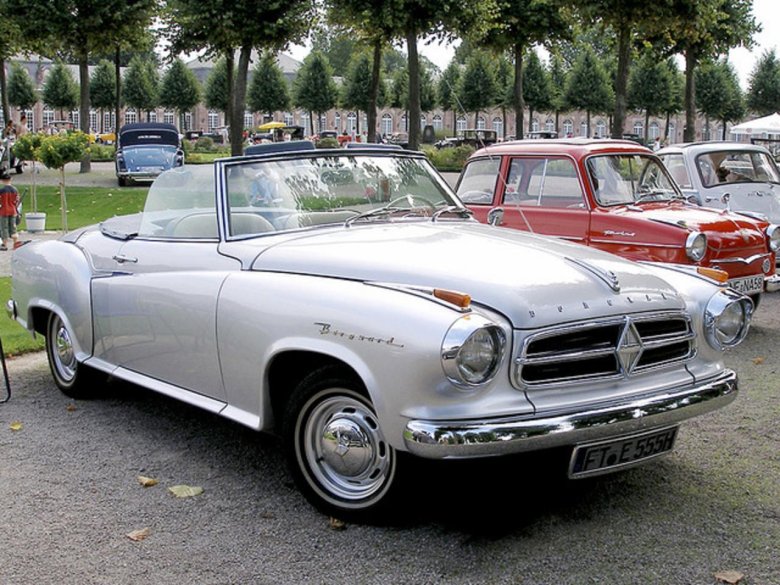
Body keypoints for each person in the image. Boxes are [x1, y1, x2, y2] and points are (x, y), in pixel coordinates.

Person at [0, 169, 20, 251]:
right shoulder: (15, 190)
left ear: (2, 180)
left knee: (4, 228)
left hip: (4, 211)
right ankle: (15, 243)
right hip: (13, 210)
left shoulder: (1, 191)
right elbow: (17, 200)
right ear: (10, 179)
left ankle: (5, 244)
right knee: (13, 227)